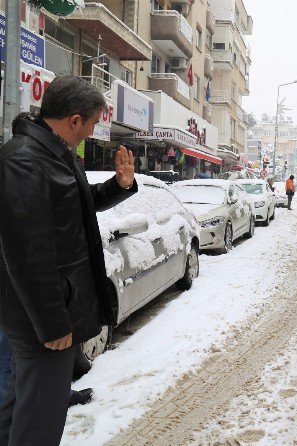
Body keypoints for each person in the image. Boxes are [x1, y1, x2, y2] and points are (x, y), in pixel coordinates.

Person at [0, 75, 137, 445]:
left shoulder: (55, 154)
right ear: (74, 120)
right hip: (42, 322)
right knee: (38, 424)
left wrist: (119, 186)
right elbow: (27, 255)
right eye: (92, 124)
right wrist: (52, 324)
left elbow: (76, 206)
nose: (92, 133)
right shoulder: (25, 162)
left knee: (22, 409)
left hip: (48, 314)